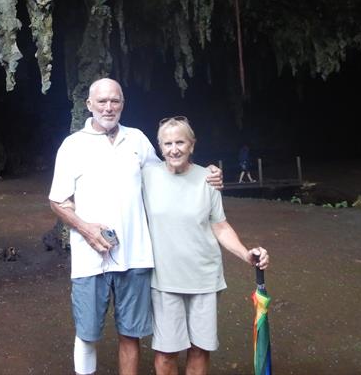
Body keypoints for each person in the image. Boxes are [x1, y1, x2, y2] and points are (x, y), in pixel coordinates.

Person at [49, 78, 223, 375]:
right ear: (89, 105)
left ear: (122, 104)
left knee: (131, 334)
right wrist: (86, 228)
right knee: (87, 333)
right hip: (90, 260)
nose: (108, 106)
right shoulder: (72, 146)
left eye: (114, 100)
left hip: (136, 257)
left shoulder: (138, 140)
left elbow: (170, 170)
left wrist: (208, 173)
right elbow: (57, 200)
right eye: (101, 101)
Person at [142, 117, 269, 375]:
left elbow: (220, 226)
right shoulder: (146, 177)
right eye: (168, 143)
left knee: (200, 350)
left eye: (180, 142)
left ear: (192, 145)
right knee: (166, 354)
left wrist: (247, 254)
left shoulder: (207, 179)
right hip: (164, 280)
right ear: (159, 146)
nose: (174, 149)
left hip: (204, 278)